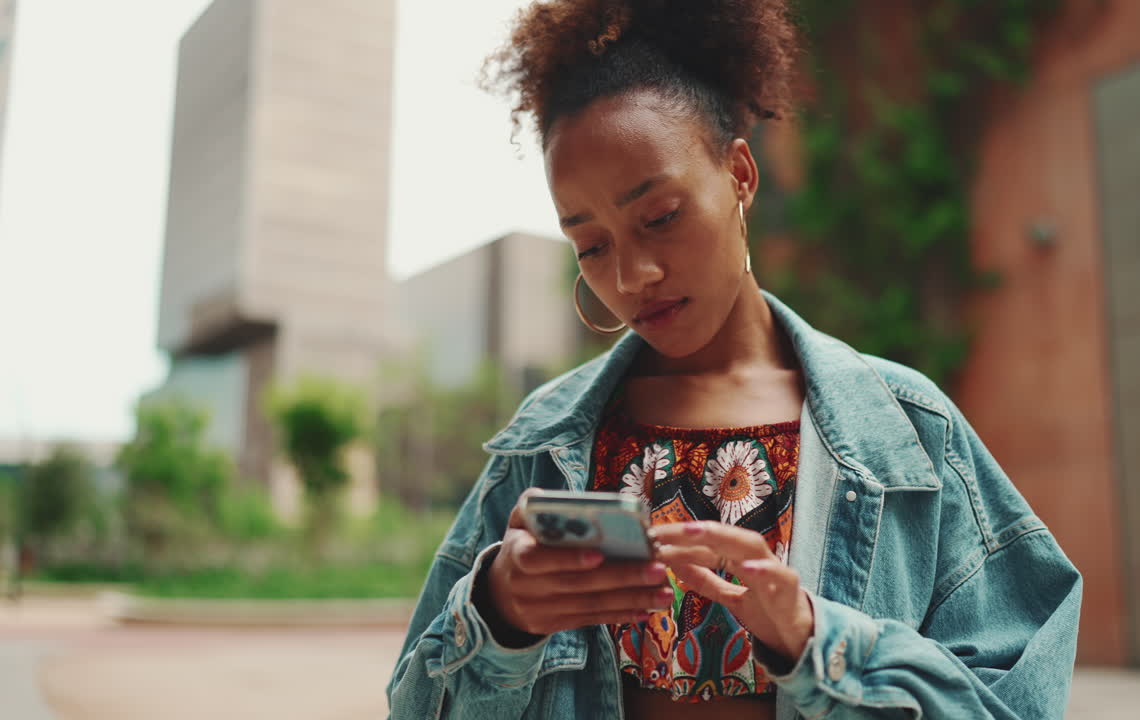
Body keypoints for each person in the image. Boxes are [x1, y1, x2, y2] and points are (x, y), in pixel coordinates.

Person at [386, 1, 1082, 718]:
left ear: (741, 173)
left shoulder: (906, 429)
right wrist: (499, 616)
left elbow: (1016, 703)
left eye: (660, 217)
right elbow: (413, 707)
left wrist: (815, 641)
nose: (632, 275)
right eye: (591, 245)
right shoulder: (543, 444)